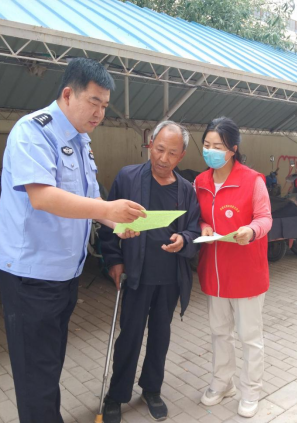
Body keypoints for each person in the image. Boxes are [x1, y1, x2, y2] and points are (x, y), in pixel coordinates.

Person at [0, 58, 146, 423]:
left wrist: (115, 221)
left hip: (63, 276)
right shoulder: (33, 132)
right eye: (94, 102)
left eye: (105, 106)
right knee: (36, 378)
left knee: (48, 367)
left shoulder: (81, 141)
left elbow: (89, 200)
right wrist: (107, 207)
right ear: (67, 94)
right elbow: (42, 196)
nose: (100, 113)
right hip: (31, 277)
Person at [100, 121, 201, 423]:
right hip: (136, 275)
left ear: (181, 156)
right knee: (129, 336)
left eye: (172, 153)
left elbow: (194, 228)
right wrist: (114, 261)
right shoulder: (128, 177)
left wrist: (184, 239)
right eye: (159, 149)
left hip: (169, 278)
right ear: (150, 144)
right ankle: (117, 394)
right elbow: (108, 220)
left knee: (160, 335)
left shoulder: (186, 190)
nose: (163, 158)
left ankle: (152, 390)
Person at [195, 117, 272, 419]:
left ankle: (250, 390)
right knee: (219, 333)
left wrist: (251, 230)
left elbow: (265, 218)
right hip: (214, 272)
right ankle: (222, 383)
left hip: (246, 273)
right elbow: (198, 217)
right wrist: (203, 225)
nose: (211, 151)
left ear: (233, 149)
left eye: (218, 146)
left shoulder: (253, 180)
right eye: (207, 145)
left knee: (249, 336)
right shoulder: (200, 182)